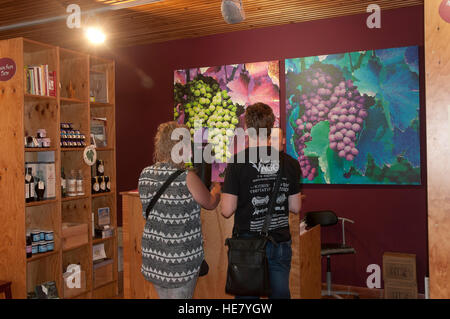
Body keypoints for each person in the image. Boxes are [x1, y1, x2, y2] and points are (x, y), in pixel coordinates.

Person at [221, 103, 302, 299]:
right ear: (271, 126)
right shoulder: (290, 163)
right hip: (279, 242)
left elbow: (226, 210)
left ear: (247, 128)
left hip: (248, 245)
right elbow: (295, 207)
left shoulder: (238, 162)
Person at [138, 121, 221, 299]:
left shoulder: (145, 174)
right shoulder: (187, 178)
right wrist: (217, 189)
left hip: (154, 260)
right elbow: (210, 202)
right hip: (180, 263)